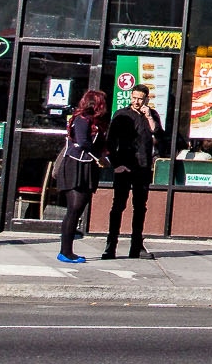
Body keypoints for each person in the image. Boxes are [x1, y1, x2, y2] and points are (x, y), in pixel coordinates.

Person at [103, 85, 163, 260]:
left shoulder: (151, 115)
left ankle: (136, 246)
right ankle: (110, 246)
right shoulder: (122, 114)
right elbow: (110, 141)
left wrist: (149, 116)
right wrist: (116, 164)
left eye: (140, 99)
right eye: (134, 98)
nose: (136, 102)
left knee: (140, 207)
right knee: (118, 207)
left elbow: (158, 134)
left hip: (143, 167)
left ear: (146, 100)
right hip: (124, 166)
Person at [57, 89, 107, 264]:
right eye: (103, 102)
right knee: (74, 209)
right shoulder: (82, 119)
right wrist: (100, 157)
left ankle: (67, 250)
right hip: (76, 165)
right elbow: (83, 142)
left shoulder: (95, 121)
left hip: (86, 166)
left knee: (76, 209)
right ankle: (65, 251)